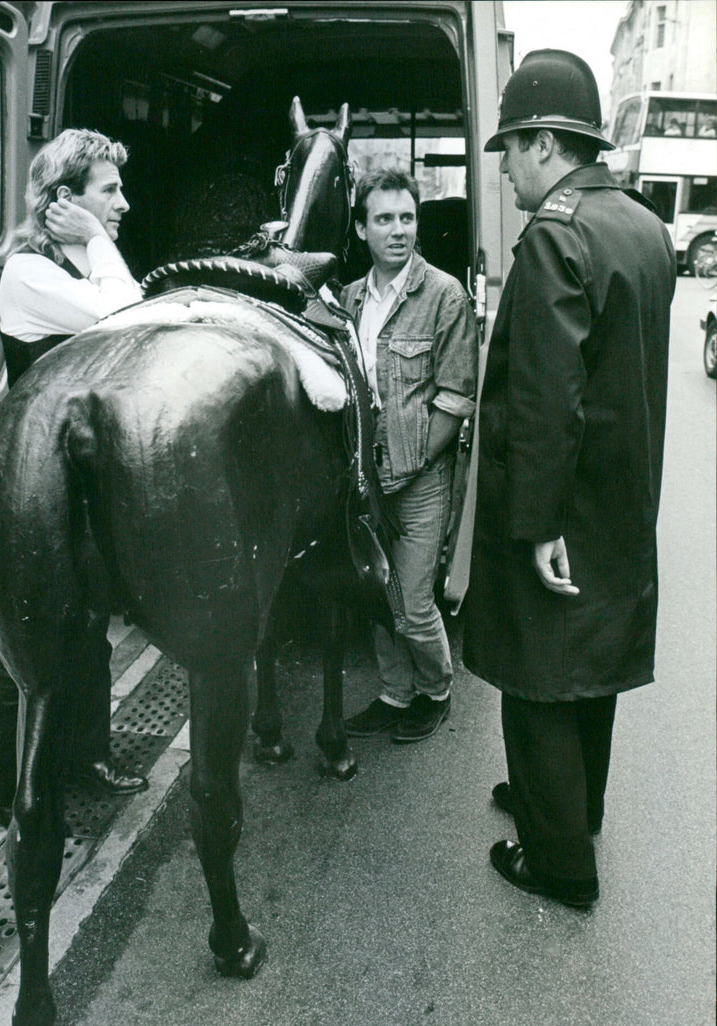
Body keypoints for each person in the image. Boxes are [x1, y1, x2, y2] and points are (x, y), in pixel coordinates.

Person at [463, 50, 676, 906]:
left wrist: (539, 519)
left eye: (511, 147)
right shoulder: (641, 225)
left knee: (539, 672)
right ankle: (570, 806)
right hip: (624, 493)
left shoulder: (557, 234)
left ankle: (558, 864)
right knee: (593, 663)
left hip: (561, 500)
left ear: (546, 142)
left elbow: (548, 396)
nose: (506, 168)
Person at [0, 128, 148, 827]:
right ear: (63, 201)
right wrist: (100, 244)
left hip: (71, 476)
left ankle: (86, 754)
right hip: (29, 486)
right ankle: (8, 789)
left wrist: (96, 244)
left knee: (88, 624)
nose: (124, 204)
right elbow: (128, 313)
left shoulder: (74, 268)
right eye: (108, 191)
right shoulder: (28, 272)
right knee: (26, 634)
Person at [341, 168, 478, 744]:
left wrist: (407, 466)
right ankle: (395, 694)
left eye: (408, 218)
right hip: (363, 482)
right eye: (384, 219)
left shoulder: (445, 295)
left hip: (418, 480)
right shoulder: (348, 300)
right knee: (378, 595)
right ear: (360, 229)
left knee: (414, 604)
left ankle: (435, 691)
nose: (399, 231)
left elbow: (455, 399)